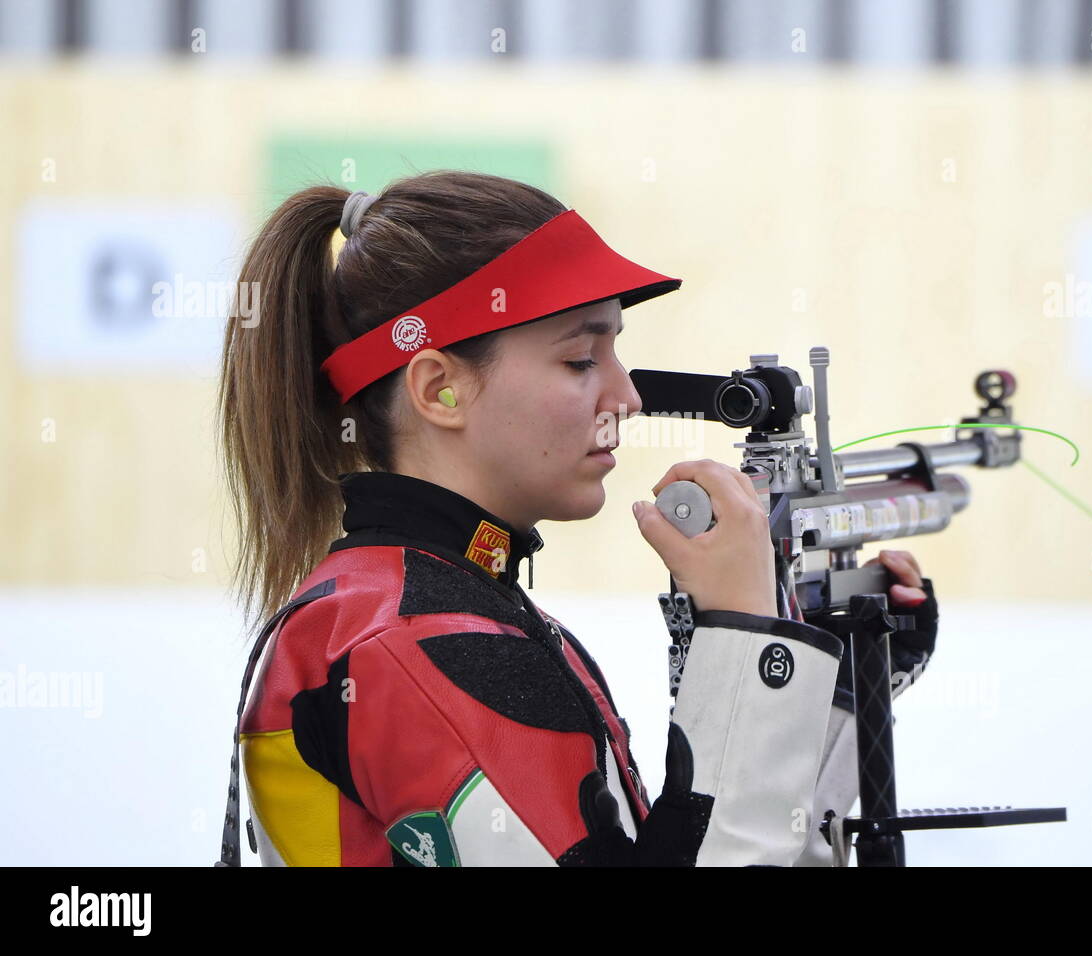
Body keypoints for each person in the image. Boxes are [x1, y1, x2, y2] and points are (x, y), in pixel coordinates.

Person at [214, 169, 938, 867]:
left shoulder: (441, 610)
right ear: (441, 390)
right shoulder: (414, 638)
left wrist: (835, 683)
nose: (626, 396)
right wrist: (745, 637)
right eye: (581, 358)